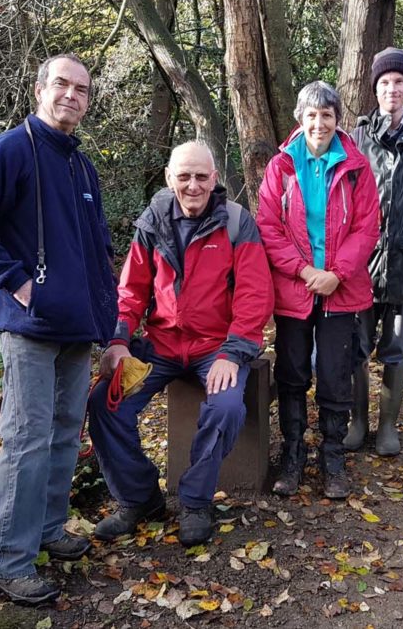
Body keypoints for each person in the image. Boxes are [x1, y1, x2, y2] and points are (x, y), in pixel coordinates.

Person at [0, 54, 117, 604]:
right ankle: (6, 558)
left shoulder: (80, 164)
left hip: (76, 327)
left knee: (61, 433)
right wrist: (17, 283)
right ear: (39, 89)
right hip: (29, 325)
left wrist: (108, 321)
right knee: (26, 439)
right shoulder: (8, 152)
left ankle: (50, 529)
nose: (72, 96)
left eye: (81, 89)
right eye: (62, 85)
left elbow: (96, 247)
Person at [87, 141, 272, 547]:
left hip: (216, 346)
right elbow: (131, 290)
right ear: (170, 179)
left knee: (225, 407)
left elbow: (255, 295)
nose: (192, 185)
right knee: (104, 403)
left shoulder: (238, 223)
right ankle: (139, 499)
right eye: (184, 176)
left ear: (215, 179)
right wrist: (118, 341)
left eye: (201, 176)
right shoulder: (152, 223)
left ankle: (194, 501)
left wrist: (234, 352)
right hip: (161, 344)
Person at [257, 81, 379, 499]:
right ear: (300, 118)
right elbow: (269, 228)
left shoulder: (357, 166)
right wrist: (305, 271)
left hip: (341, 291)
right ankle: (292, 456)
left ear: (336, 119)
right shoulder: (282, 167)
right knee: (292, 375)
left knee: (334, 375)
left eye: (327, 115)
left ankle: (332, 458)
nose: (319, 123)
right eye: (312, 114)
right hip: (294, 289)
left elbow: (367, 228)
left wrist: (337, 273)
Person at [344, 47, 403, 457]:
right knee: (356, 346)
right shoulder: (357, 136)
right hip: (361, 264)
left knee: (398, 348)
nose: (392, 89)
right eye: (384, 83)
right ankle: (357, 422)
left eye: (399, 82)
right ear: (375, 89)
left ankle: (387, 426)